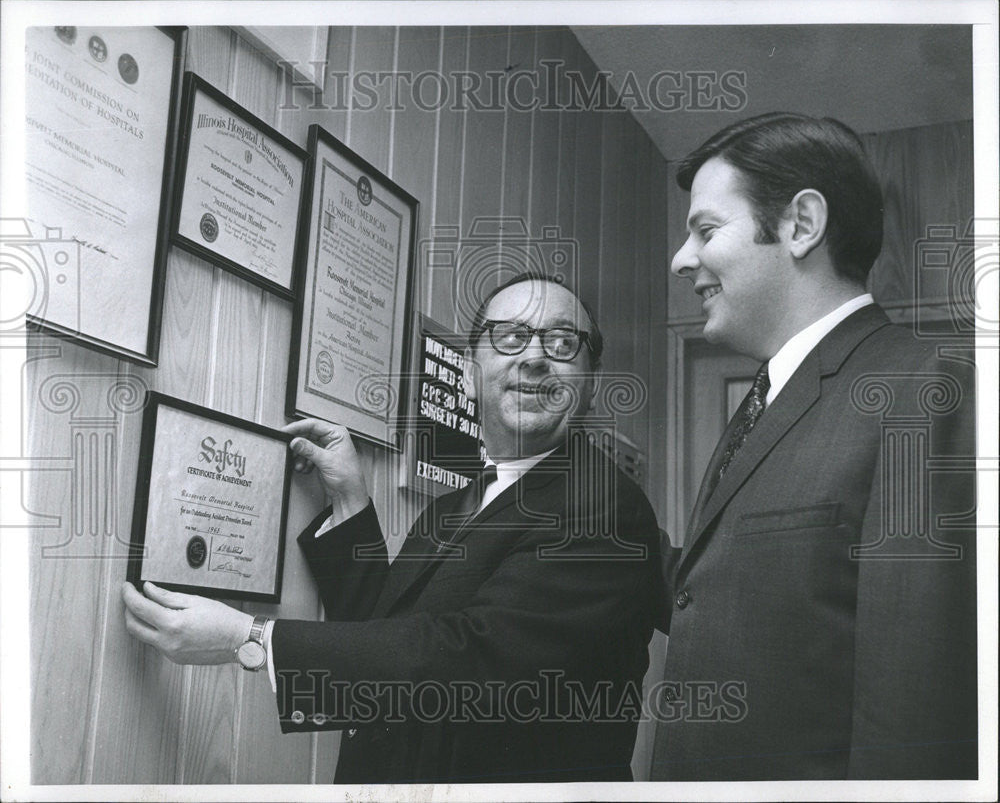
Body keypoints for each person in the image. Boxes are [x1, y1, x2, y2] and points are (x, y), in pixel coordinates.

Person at [123, 274, 661, 783]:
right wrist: (350, 501)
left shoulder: (608, 507)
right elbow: (385, 632)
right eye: (511, 336)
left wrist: (250, 639)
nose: (536, 356)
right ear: (471, 378)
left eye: (563, 342)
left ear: (590, 384)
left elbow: (473, 664)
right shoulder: (454, 506)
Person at [651, 112, 977, 780]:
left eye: (706, 230)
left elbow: (916, 710)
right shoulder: (763, 402)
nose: (681, 259)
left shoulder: (927, 387)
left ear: (802, 225)